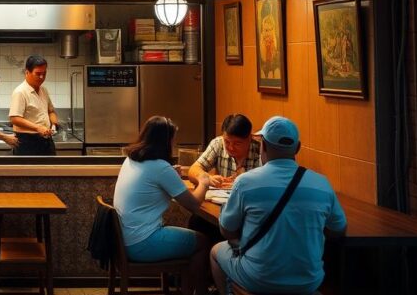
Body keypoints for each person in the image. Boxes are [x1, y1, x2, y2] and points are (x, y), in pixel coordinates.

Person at [211, 116, 347, 295]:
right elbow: (338, 229)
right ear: (297, 148)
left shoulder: (245, 182)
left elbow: (227, 230)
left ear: (263, 146)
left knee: (215, 251)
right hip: (308, 281)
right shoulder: (322, 183)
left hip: (259, 278)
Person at [114, 116, 211, 295]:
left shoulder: (132, 159)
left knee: (197, 236)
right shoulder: (160, 168)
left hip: (125, 240)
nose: (174, 142)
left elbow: (151, 184)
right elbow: (194, 204)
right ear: (165, 141)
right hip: (142, 243)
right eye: (173, 138)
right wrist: (204, 182)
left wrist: (171, 176)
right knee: (203, 242)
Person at [188, 113, 260, 188]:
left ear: (249, 138)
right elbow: (193, 170)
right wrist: (208, 178)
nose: (231, 147)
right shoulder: (218, 143)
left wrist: (243, 184)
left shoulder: (261, 150)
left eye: (237, 143)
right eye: (227, 142)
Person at [9, 55, 59, 156]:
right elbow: (14, 118)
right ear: (27, 72)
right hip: (27, 142)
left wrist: (54, 124)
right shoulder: (20, 92)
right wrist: (38, 128)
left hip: (46, 141)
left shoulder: (43, 90)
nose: (42, 77)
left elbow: (51, 111)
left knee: (50, 171)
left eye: (44, 74)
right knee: (29, 171)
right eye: (38, 74)